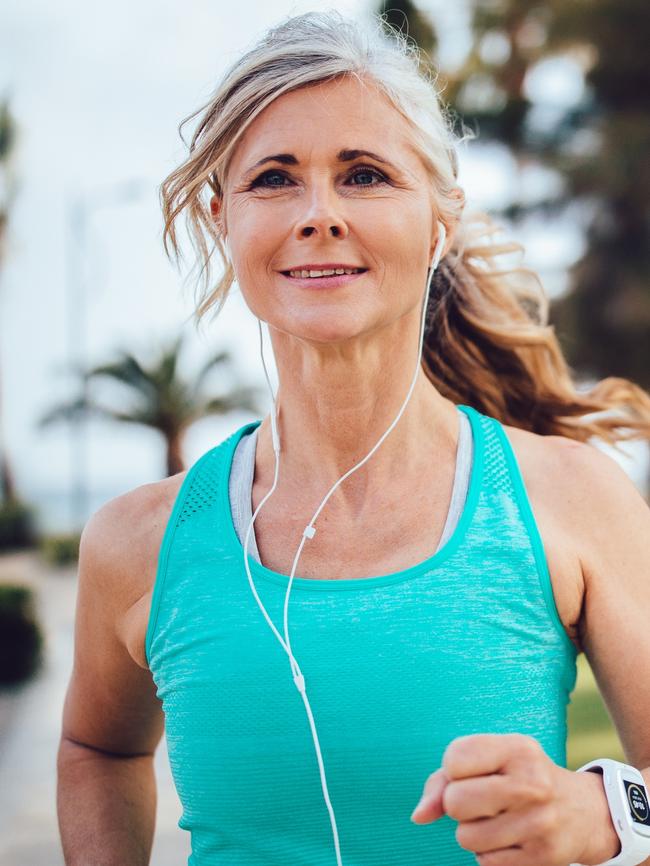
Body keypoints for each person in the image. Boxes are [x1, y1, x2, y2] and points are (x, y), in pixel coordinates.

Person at [56, 10, 650, 866]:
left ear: (439, 220)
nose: (319, 213)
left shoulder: (572, 500)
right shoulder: (134, 545)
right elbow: (96, 749)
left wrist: (603, 813)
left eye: (365, 174)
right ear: (226, 220)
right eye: (274, 179)